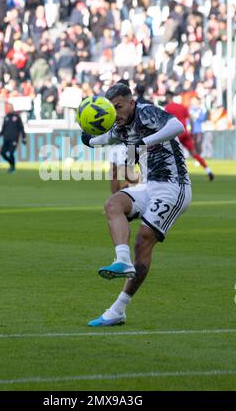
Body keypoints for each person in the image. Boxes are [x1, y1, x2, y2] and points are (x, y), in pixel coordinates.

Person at [81, 83, 192, 326]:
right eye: (110, 109)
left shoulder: (145, 112)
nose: (115, 114)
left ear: (131, 103)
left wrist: (143, 143)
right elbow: (103, 138)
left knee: (143, 242)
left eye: (118, 107)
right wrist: (87, 137)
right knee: (113, 204)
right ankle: (121, 260)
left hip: (174, 186)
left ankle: (118, 308)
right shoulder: (118, 125)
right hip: (148, 185)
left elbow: (177, 126)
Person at [165, 92, 214, 181]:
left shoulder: (168, 108)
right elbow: (190, 119)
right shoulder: (182, 107)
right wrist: (191, 131)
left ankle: (174, 175)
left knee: (170, 153)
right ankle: (208, 171)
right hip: (185, 132)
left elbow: (165, 122)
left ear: (167, 97)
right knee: (194, 153)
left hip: (175, 134)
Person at [0, 104, 26, 173]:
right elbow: (3, 128)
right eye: (8, 108)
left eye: (10, 108)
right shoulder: (6, 117)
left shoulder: (17, 117)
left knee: (11, 153)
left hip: (14, 139)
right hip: (6, 139)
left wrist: (23, 138)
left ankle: (12, 167)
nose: (9, 109)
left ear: (13, 108)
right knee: (2, 152)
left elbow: (21, 128)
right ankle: (11, 164)